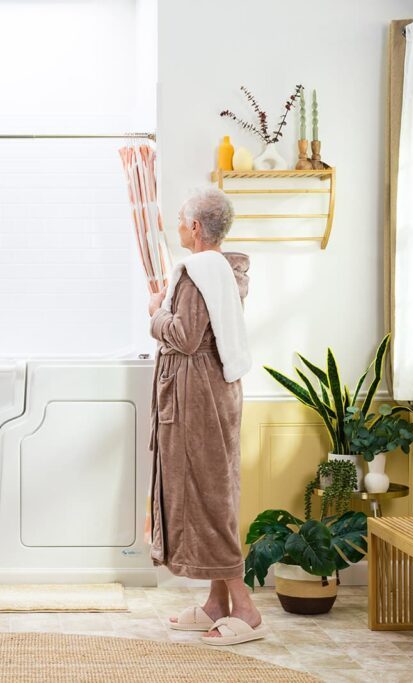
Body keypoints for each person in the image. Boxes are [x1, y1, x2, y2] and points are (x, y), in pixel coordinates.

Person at [146, 187, 265, 645]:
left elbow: (186, 336)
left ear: (195, 227)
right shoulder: (223, 272)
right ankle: (218, 603)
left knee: (209, 498)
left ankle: (247, 608)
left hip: (198, 399)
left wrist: (156, 312)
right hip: (214, 394)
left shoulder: (199, 273)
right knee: (211, 490)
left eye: (180, 219)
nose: (177, 226)